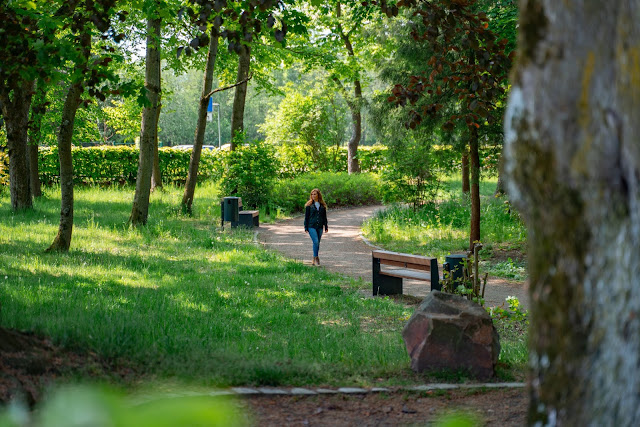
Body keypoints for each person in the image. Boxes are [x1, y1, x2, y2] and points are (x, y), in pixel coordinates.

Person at [304, 188, 328, 266]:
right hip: (311, 226)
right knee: (316, 241)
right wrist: (306, 226)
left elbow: (324, 217)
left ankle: (314, 259)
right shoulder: (309, 205)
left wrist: (326, 226)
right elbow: (306, 217)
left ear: (318, 195)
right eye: (312, 194)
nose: (313, 196)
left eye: (315, 194)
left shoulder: (322, 206)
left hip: (320, 226)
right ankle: (316, 258)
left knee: (318, 243)